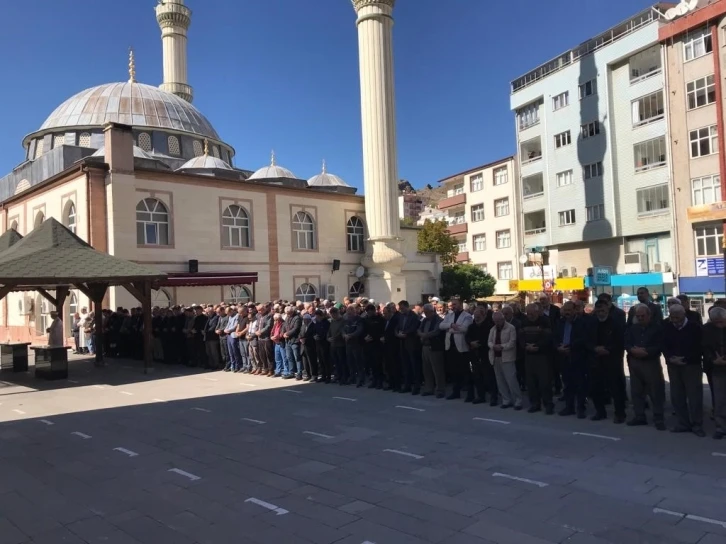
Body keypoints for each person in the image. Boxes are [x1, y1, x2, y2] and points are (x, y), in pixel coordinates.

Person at [662, 304, 704, 437]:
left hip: (691, 366)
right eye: (672, 317)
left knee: (694, 396)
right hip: (674, 366)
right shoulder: (667, 327)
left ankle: (697, 424)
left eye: (677, 317)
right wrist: (670, 358)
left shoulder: (695, 327)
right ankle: (683, 423)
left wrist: (685, 358)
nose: (674, 320)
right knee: (677, 395)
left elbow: (700, 347)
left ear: (683, 315)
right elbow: (664, 345)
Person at [624, 303, 666, 430]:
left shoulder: (657, 328)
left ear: (649, 315)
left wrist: (647, 351)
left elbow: (660, 345)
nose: (640, 318)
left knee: (655, 391)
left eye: (643, 316)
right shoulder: (632, 328)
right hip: (635, 362)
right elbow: (626, 342)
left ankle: (658, 418)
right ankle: (639, 416)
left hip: (650, 362)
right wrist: (632, 350)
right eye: (638, 316)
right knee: (636, 390)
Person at [587, 300, 626, 423]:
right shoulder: (592, 323)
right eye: (598, 310)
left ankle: (620, 413)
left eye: (602, 310)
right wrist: (594, 348)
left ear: (607, 310)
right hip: (595, 360)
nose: (600, 313)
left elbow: (620, 342)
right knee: (596, 388)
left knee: (615, 389)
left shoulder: (615, 324)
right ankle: (600, 412)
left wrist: (608, 350)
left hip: (611, 360)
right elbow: (586, 340)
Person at [553, 301, 588, 418]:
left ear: (574, 311)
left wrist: (570, 347)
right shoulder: (560, 322)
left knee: (580, 384)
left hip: (577, 356)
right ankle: (569, 407)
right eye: (565, 310)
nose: (567, 313)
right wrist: (558, 347)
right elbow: (555, 337)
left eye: (569, 310)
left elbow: (583, 339)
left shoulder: (581, 323)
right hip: (563, 356)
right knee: (567, 384)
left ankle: (581, 408)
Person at [521, 303, 553, 414]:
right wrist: (525, 346)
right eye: (528, 313)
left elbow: (548, 337)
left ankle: (548, 404)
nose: (530, 315)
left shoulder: (545, 321)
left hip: (542, 355)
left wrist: (537, 346)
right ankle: (535, 404)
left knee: (544, 382)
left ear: (537, 312)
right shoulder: (524, 322)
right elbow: (520, 337)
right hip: (529, 355)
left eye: (532, 313)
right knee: (531, 382)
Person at [440, 298, 473, 400]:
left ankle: (470, 394)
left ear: (460, 304)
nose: (453, 306)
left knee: (465, 372)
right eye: (452, 305)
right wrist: (451, 325)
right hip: (450, 347)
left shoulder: (467, 316)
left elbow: (464, 328)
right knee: (454, 371)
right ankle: (456, 392)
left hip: (462, 348)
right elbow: (441, 325)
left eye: (455, 304)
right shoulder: (449, 315)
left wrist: (450, 330)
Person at [488, 311, 521, 410]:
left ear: (503, 319)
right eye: (495, 321)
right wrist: (493, 346)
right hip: (495, 356)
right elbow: (489, 341)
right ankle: (506, 399)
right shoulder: (492, 329)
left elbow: (512, 342)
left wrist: (501, 346)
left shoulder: (511, 328)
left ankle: (517, 400)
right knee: (500, 380)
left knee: (511, 380)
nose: (497, 323)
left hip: (507, 357)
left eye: (499, 320)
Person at [703, 306, 726, 440]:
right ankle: (720, 427)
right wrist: (713, 359)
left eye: (721, 322)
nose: (719, 325)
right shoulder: (707, 329)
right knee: (719, 400)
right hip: (716, 368)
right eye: (715, 322)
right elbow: (704, 347)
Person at [466, 307, 497, 405]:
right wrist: (471, 343)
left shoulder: (489, 326)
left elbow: (490, 339)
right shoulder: (471, 327)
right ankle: (480, 396)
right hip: (474, 354)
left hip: (485, 354)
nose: (476, 318)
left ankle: (494, 397)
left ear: (484, 315)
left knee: (489, 377)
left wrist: (479, 344)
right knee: (477, 376)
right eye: (475, 316)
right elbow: (467, 337)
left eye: (478, 316)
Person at [418, 303, 445, 398]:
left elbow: (436, 331)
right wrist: (421, 334)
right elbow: (419, 329)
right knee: (426, 369)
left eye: (427, 312)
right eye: (424, 312)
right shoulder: (424, 320)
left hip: (434, 347)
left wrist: (425, 335)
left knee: (437, 369)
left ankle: (440, 389)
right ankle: (429, 388)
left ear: (432, 311)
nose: (426, 314)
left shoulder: (438, 320)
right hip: (425, 346)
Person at [397, 301, 423, 394]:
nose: (401, 310)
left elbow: (414, 328)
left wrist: (405, 333)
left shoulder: (414, 316)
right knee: (405, 365)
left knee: (414, 365)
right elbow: (397, 327)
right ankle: (407, 385)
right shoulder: (401, 316)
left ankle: (416, 386)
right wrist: (398, 334)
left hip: (412, 343)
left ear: (407, 307)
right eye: (400, 308)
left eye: (402, 308)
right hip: (403, 343)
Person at [363, 304, 386, 389]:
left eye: (371, 311)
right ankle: (374, 380)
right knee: (371, 364)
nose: (369, 313)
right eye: (368, 311)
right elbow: (363, 330)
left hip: (378, 344)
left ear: (374, 311)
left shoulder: (380, 319)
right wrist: (365, 337)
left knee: (378, 364)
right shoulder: (365, 320)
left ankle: (379, 381)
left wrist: (378, 337)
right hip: (369, 344)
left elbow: (382, 331)